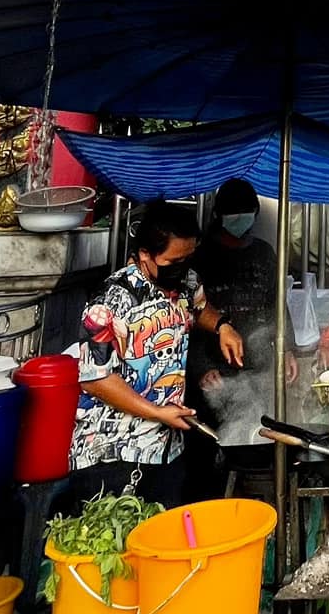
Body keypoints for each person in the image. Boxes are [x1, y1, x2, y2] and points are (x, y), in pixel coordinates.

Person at [68, 198, 243, 506]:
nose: (181, 269)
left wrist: (223, 326)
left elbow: (200, 309)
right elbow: (95, 379)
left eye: (187, 260)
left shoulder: (186, 282)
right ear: (145, 254)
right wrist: (157, 413)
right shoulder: (112, 300)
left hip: (165, 448)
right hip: (114, 451)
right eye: (173, 263)